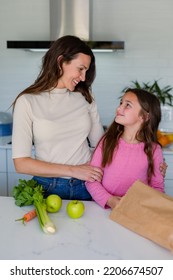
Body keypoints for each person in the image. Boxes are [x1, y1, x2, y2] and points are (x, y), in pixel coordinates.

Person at [12, 35, 104, 200]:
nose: (83, 77)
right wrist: (73, 170)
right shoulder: (27, 101)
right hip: (47, 188)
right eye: (81, 68)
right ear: (61, 61)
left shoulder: (86, 96)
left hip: (88, 185)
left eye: (86, 71)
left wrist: (149, 163)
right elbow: (21, 163)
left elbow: (101, 145)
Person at [85, 88, 165, 208]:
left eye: (127, 105)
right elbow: (91, 180)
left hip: (135, 211)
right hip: (102, 209)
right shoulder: (107, 142)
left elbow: (157, 187)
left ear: (144, 117)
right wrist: (110, 200)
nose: (119, 108)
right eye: (121, 103)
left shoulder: (154, 150)